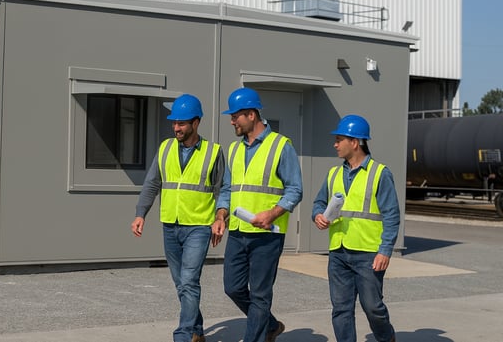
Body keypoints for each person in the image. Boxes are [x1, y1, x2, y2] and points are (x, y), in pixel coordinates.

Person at [131, 93, 226, 342]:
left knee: (189, 281)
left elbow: (222, 190)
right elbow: (152, 184)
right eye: (174, 122)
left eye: (181, 123)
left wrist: (220, 219)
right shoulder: (164, 148)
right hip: (170, 225)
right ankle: (197, 331)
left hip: (198, 226)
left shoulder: (213, 152)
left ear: (196, 123)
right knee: (181, 284)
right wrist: (141, 213)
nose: (176, 128)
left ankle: (182, 336)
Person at [211, 87, 303, 342]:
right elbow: (228, 188)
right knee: (233, 287)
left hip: (267, 235)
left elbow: (295, 189)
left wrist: (273, 214)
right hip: (239, 233)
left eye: (235, 116)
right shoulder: (233, 149)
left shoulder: (281, 146)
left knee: (261, 294)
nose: (231, 121)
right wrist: (220, 216)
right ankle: (271, 325)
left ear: (251, 115)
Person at [312, 115, 400, 342]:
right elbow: (319, 203)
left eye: (339, 139)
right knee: (341, 309)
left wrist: (385, 250)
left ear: (355, 142)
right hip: (339, 251)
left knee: (372, 307)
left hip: (368, 254)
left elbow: (392, 214)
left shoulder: (380, 173)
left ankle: (386, 336)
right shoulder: (333, 174)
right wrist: (318, 216)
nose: (335, 144)